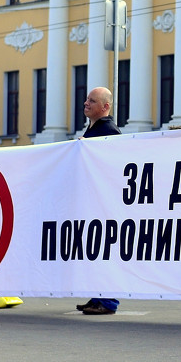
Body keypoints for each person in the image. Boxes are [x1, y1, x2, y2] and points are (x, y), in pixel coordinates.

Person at [76, 87, 123, 316]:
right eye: (87, 99)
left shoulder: (109, 131)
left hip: (104, 203)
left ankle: (107, 300)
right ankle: (97, 297)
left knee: (103, 251)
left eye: (92, 101)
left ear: (105, 107)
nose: (86, 103)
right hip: (94, 200)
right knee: (94, 251)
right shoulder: (95, 129)